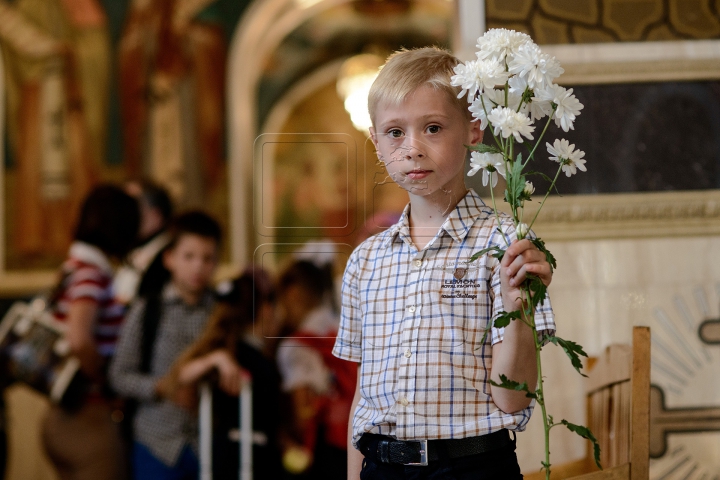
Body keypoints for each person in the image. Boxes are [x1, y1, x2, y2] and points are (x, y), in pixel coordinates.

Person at [332, 47, 556, 480]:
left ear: (473, 130)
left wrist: (519, 307)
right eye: (394, 132)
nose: (412, 148)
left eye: (432, 128)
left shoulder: (506, 244)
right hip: (382, 467)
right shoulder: (365, 260)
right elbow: (363, 397)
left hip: (472, 466)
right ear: (375, 143)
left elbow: (514, 398)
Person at [109, 211, 221, 480]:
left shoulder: (220, 315)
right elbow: (119, 375)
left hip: (206, 443)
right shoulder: (148, 310)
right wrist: (161, 387)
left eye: (208, 259)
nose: (198, 267)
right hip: (156, 442)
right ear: (170, 258)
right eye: (189, 256)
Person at [42, 184, 140, 480]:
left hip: (62, 418)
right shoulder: (91, 273)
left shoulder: (73, 267)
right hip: (87, 415)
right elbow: (80, 339)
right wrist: (106, 380)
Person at [165, 268, 284, 480]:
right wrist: (216, 359)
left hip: (226, 462)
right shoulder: (252, 361)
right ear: (266, 309)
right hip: (251, 463)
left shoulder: (230, 352)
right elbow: (178, 378)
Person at [276, 258, 357, 479]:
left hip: (325, 448)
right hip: (357, 442)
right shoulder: (347, 330)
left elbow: (303, 411)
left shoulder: (296, 346)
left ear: (292, 293)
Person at [113, 179, 174, 305]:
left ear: (156, 215)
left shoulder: (167, 258)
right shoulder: (131, 250)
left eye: (132, 206)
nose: (123, 214)